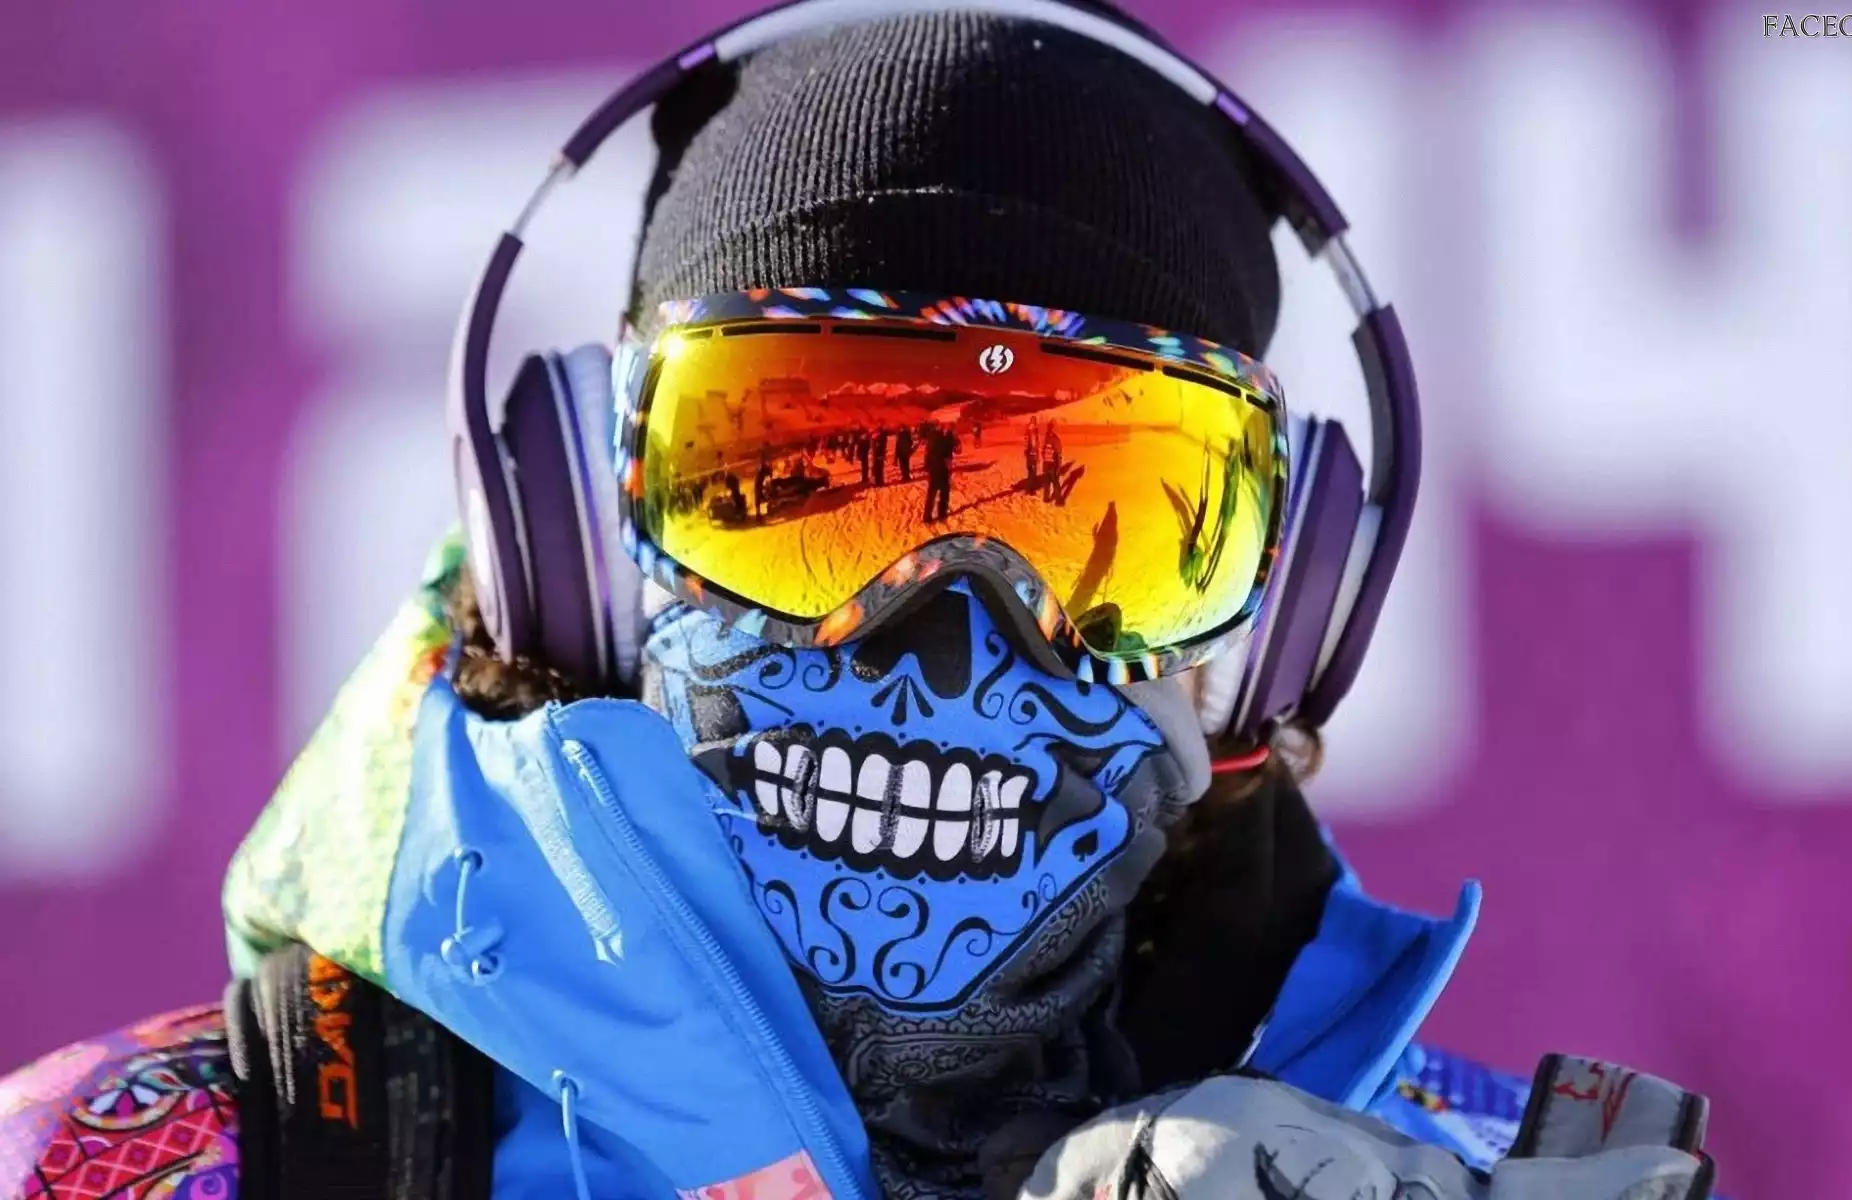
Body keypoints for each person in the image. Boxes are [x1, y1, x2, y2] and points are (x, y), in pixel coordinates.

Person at [0, 6, 1719, 1200]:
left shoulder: (1493, 1181)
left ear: (1271, 631)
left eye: (1100, 517)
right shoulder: (127, 1169)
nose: (945, 630)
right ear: (578, 532)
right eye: (806, 482)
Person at [922, 423, 957, 524]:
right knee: (944, 492)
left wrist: (926, 466)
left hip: (933, 469)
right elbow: (955, 450)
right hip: (943, 469)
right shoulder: (944, 439)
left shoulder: (931, 439)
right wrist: (951, 435)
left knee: (931, 493)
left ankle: (927, 516)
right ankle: (942, 513)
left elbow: (927, 454)